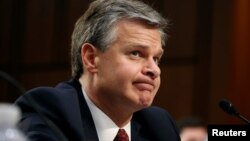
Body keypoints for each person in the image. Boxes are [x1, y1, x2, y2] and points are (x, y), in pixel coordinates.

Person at [15, 0, 180, 141]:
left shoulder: (159, 125)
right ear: (91, 58)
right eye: (136, 53)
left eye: (156, 58)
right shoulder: (50, 109)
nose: (154, 70)